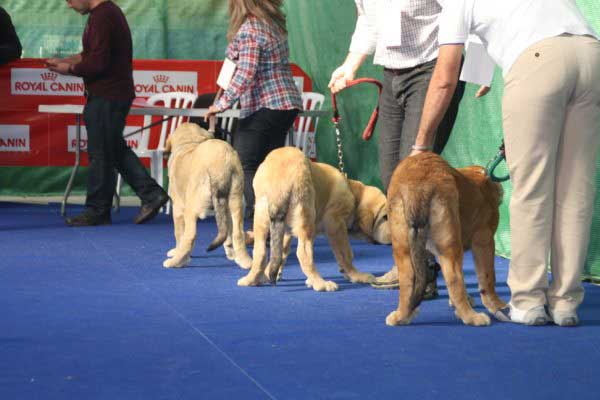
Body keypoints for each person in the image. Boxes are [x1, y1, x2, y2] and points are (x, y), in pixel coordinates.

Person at [411, 0, 600, 326]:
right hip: (591, 55)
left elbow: (444, 78)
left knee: (532, 189)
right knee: (576, 192)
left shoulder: (456, 4)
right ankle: (566, 302)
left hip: (538, 62)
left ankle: (528, 302)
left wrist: (421, 144)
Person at [328, 0, 468, 295]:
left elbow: (464, 12)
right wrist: (349, 66)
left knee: (413, 179)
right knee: (392, 177)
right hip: (392, 74)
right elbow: (368, 21)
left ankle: (421, 273)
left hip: (432, 68)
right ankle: (409, 267)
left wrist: (478, 68)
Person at [46, 0, 169, 227]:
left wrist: (69, 68)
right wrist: (66, 61)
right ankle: (151, 194)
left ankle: (97, 210)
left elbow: (98, 62)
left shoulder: (103, 16)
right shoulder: (105, 14)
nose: (69, 5)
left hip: (107, 95)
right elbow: (91, 55)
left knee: (101, 153)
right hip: (112, 94)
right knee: (111, 147)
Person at [205, 0, 302, 220]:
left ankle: (259, 220)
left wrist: (220, 105)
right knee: (268, 166)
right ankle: (276, 219)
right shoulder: (272, 24)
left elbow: (245, 73)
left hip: (265, 104)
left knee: (246, 164)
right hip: (285, 104)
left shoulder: (250, 29)